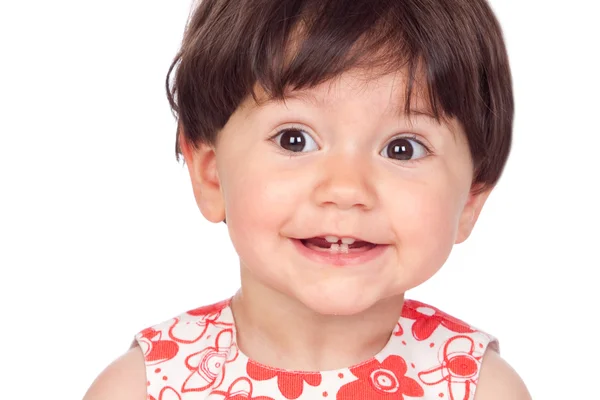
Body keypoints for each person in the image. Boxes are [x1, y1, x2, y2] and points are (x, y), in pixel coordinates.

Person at [84, 0, 530, 398]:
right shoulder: (143, 388)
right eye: (294, 140)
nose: (346, 189)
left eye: (402, 148)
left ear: (471, 199)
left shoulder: (479, 388)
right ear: (212, 174)